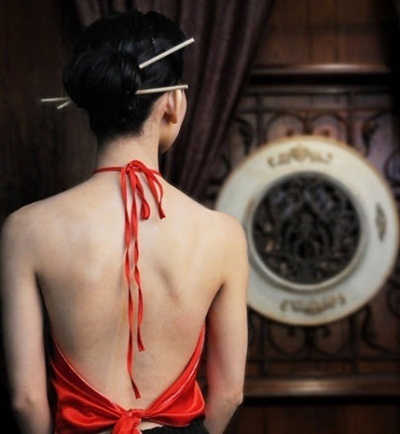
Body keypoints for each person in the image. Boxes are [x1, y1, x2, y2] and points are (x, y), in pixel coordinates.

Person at [0, 9, 249, 434]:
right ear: (173, 102)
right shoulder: (223, 234)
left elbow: (26, 400)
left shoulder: (26, 229)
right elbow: (229, 394)